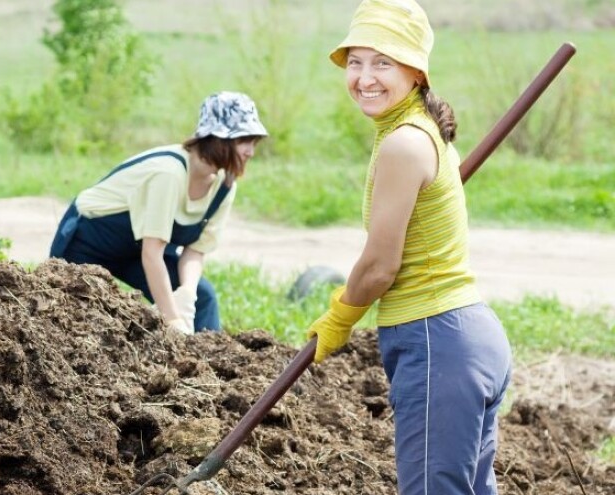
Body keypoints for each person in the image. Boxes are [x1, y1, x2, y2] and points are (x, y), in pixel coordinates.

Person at [306, 1, 512, 493]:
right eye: (355, 61)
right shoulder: (419, 132)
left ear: (416, 72)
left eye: (383, 62)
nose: (364, 77)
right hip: (466, 335)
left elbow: (380, 265)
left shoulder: (404, 143)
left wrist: (340, 317)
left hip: (435, 339)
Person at [49, 91, 267, 335]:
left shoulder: (224, 186)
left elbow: (195, 251)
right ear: (217, 139)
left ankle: (210, 364)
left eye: (253, 143)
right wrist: (172, 319)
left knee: (204, 296)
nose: (250, 152)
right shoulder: (169, 173)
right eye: (243, 141)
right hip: (87, 244)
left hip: (135, 250)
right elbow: (152, 253)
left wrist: (187, 294)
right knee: (83, 324)